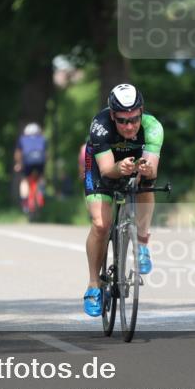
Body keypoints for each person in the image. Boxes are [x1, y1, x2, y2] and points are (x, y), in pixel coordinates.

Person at [82, 84, 163, 317]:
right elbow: (107, 170)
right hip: (103, 167)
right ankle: (94, 285)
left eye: (134, 119)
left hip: (135, 165)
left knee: (147, 183)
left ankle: (143, 244)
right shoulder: (100, 125)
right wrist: (120, 167)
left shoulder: (153, 127)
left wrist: (144, 170)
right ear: (111, 115)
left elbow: (153, 169)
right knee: (101, 225)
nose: (129, 126)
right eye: (122, 121)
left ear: (142, 111)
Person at [14, 123, 47, 212]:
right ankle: (41, 193)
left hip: (27, 161)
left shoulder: (22, 139)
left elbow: (18, 153)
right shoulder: (42, 139)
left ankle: (25, 201)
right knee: (41, 178)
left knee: (24, 180)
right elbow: (46, 153)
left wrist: (18, 164)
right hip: (40, 161)